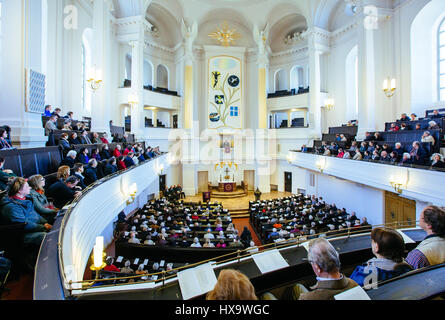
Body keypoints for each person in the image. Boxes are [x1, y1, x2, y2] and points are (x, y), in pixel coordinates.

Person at [263, 238, 358, 300]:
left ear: (317, 267)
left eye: (311, 262)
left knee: (266, 296)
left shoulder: (308, 298)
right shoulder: (353, 284)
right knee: (297, 287)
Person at [0, 177, 52, 248]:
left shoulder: (26, 198)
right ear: (19, 191)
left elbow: (35, 215)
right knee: (46, 236)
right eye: (27, 186)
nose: (30, 188)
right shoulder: (11, 207)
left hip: (34, 227)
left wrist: (45, 222)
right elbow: (24, 224)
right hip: (22, 234)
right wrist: (43, 227)